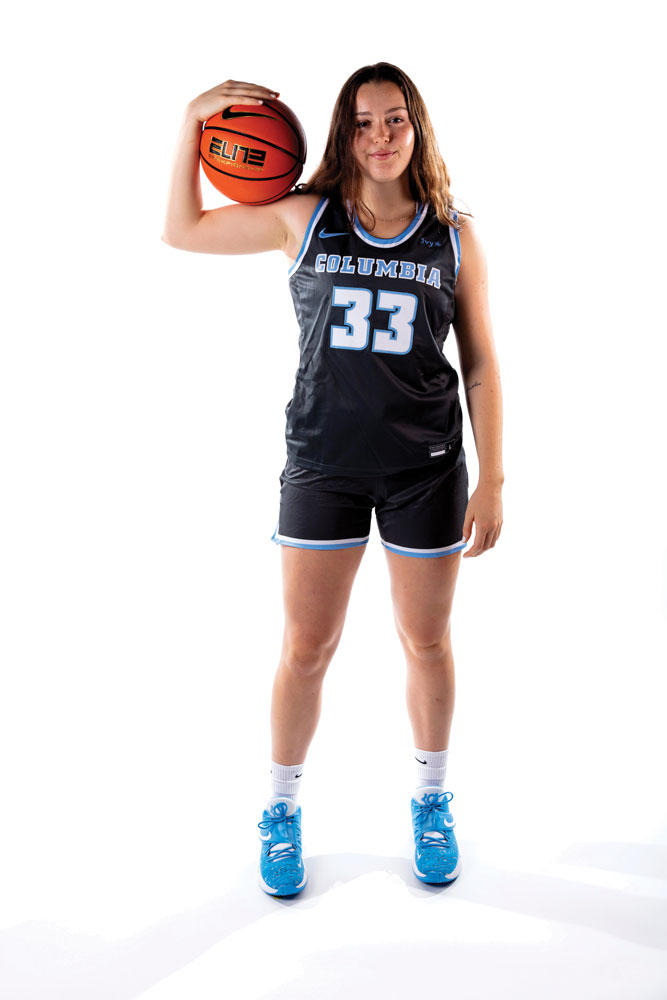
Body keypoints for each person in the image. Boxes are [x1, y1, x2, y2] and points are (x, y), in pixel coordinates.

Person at [162, 62, 503, 897]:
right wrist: (188, 121)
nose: (380, 135)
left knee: (425, 642)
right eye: (362, 122)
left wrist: (492, 476)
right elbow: (182, 229)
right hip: (322, 463)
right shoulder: (304, 219)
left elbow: (482, 364)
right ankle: (280, 811)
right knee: (306, 649)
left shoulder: (452, 234)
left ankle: (430, 801)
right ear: (342, 133)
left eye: (394, 119)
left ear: (415, 128)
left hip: (426, 468)